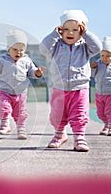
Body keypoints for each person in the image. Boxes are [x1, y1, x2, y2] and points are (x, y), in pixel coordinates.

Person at [39, 10, 102, 152]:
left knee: (79, 114)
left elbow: (98, 48)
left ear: (82, 30)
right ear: (60, 30)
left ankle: (79, 137)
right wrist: (53, 34)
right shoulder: (56, 46)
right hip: (59, 88)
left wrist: (86, 34)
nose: (70, 33)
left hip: (80, 88)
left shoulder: (85, 47)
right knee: (57, 114)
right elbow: (43, 49)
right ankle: (59, 134)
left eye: (75, 29)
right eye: (66, 29)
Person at [0, 29, 46, 139]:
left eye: (21, 50)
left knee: (20, 113)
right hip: (5, 91)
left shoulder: (27, 60)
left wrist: (37, 73)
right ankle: (5, 124)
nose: (18, 52)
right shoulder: (2, 59)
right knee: (3, 106)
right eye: (15, 49)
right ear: (8, 49)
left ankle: (21, 129)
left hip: (21, 93)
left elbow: (31, 72)